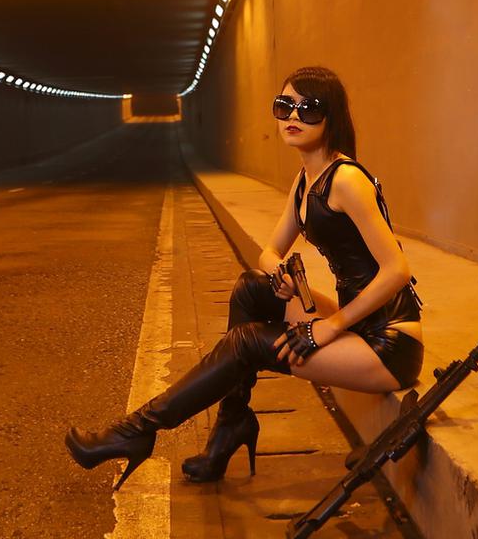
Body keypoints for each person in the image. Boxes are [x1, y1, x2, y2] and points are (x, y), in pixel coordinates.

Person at [64, 65, 424, 490]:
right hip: (359, 326)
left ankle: (137, 430)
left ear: (332, 118)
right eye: (284, 106)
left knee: (248, 342)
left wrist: (329, 328)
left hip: (388, 343)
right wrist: (280, 274)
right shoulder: (305, 180)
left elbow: (397, 270)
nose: (293, 116)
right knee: (252, 287)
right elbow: (270, 251)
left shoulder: (346, 180)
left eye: (309, 108)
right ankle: (231, 422)